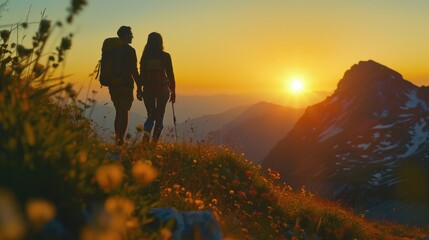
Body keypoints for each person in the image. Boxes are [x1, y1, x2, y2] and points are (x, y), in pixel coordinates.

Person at [138, 32, 176, 144]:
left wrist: (139, 89)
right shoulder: (165, 56)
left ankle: (145, 142)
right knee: (160, 117)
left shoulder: (145, 57)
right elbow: (170, 74)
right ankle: (154, 144)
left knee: (150, 116)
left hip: (148, 90)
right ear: (161, 42)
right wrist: (173, 91)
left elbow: (142, 75)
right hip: (162, 90)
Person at [108, 26, 141, 146]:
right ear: (126, 35)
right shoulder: (130, 50)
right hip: (126, 85)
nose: (132, 36)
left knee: (118, 112)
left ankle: (118, 139)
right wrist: (139, 85)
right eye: (130, 34)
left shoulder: (111, 50)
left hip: (113, 85)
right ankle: (120, 141)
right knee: (124, 112)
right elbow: (133, 70)